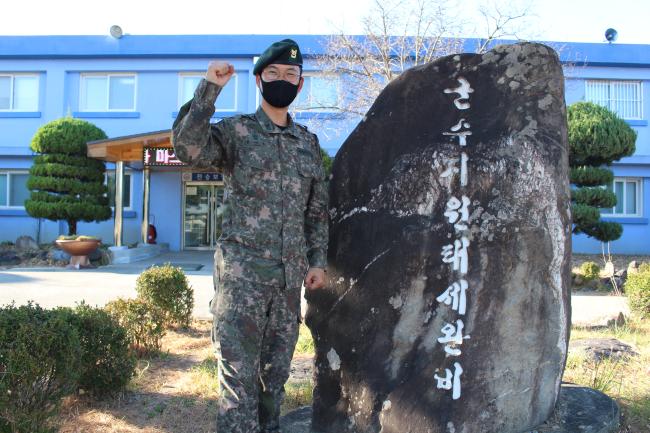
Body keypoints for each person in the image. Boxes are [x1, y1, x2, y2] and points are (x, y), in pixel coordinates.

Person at [172, 38, 328, 433]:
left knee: (272, 384)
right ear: (259, 81)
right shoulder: (237, 132)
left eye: (290, 75)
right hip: (242, 283)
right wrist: (209, 89)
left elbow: (316, 212)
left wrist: (318, 261)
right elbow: (188, 149)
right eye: (273, 74)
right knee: (238, 385)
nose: (282, 80)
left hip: (287, 286)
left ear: (301, 84)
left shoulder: (307, 144)